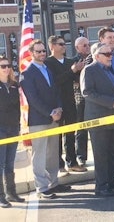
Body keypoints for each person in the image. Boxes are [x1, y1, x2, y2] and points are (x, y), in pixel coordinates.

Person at [20, 40, 70, 199]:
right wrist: (50, 112)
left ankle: (54, 183)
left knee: (53, 153)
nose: (42, 54)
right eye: (38, 51)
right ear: (31, 53)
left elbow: (55, 91)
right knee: (39, 155)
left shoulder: (47, 69)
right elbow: (33, 99)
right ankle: (42, 188)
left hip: (54, 117)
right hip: (39, 120)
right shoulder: (27, 74)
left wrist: (59, 108)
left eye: (43, 51)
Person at [80, 43, 114, 197]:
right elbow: (87, 92)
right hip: (99, 120)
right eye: (107, 54)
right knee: (101, 155)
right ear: (96, 56)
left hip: (113, 118)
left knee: (111, 153)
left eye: (111, 54)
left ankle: (113, 180)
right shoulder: (89, 70)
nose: (110, 57)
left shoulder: (108, 70)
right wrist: (109, 101)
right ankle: (101, 186)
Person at [45, 35, 87, 173]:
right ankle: (59, 164)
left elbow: (75, 79)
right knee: (57, 134)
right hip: (56, 103)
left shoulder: (69, 61)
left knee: (70, 133)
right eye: (60, 44)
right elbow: (55, 81)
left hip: (70, 101)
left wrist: (80, 70)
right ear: (52, 46)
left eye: (64, 44)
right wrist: (72, 71)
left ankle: (72, 161)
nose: (64, 46)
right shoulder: (48, 63)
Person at [0, 56, 24, 208]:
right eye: (2, 66)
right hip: (0, 129)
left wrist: (19, 125)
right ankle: (1, 196)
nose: (6, 68)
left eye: (8, 65)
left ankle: (11, 192)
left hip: (13, 127)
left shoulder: (14, 85)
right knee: (0, 164)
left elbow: (17, 108)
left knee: (9, 163)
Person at [73, 37, 91, 166]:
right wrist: (77, 69)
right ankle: (81, 156)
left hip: (93, 98)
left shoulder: (94, 58)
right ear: (77, 47)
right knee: (81, 129)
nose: (87, 47)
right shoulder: (73, 61)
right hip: (80, 99)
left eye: (88, 44)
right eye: (84, 45)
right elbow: (73, 79)